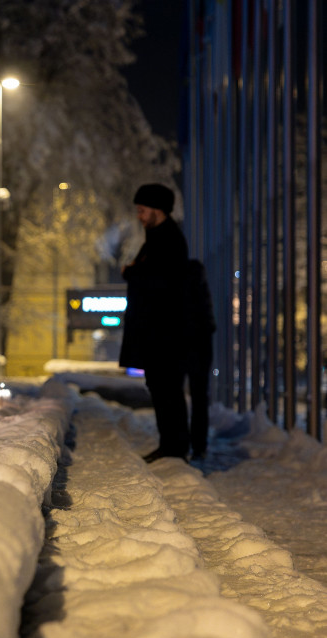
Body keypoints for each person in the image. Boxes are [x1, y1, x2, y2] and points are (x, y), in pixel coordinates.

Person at [119, 183, 190, 463]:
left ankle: (174, 449)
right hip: (160, 332)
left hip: (164, 333)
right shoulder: (159, 238)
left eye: (143, 210)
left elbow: (158, 281)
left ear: (157, 210)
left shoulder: (167, 240)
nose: (139, 216)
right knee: (162, 388)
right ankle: (171, 446)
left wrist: (133, 273)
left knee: (166, 389)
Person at [185, 259, 216, 460]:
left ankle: (186, 443)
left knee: (182, 397)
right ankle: (199, 445)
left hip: (186, 348)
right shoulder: (203, 298)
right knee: (199, 398)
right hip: (202, 350)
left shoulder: (183, 299)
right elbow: (209, 325)